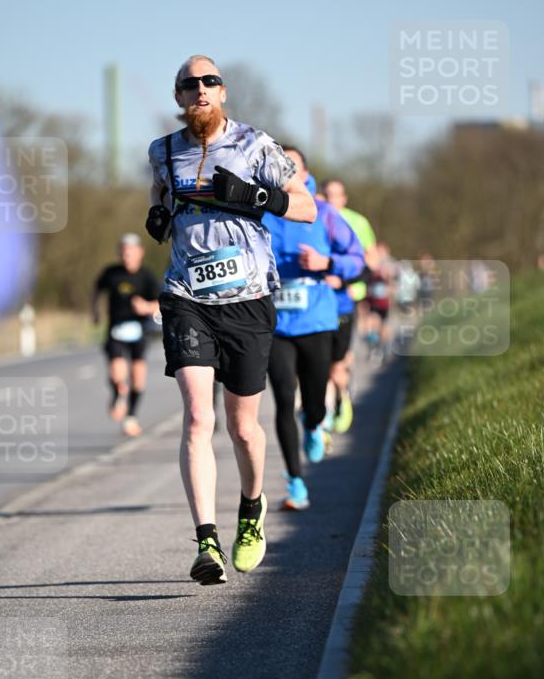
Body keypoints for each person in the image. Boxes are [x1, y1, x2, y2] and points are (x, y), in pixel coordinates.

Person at [146, 55, 315, 586]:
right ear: (178, 97)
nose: (200, 90)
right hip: (186, 296)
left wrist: (256, 195)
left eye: (209, 82)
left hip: (246, 298)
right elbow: (159, 201)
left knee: (244, 429)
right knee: (199, 418)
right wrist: (157, 215)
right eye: (189, 84)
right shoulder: (163, 151)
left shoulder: (253, 144)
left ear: (223, 93)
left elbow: (306, 207)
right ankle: (206, 543)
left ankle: (251, 509)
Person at [264, 149, 364, 511]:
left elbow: (357, 259)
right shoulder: (262, 211)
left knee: (314, 400)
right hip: (274, 324)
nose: (284, 170)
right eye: (277, 165)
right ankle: (295, 483)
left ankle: (314, 422)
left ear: (305, 172)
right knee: (282, 396)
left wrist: (327, 262)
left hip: (317, 321)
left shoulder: (325, 214)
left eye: (291, 165)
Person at [322, 179, 377, 433]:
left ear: (344, 198)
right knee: (321, 359)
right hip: (318, 300)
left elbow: (371, 262)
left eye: (337, 195)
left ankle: (341, 393)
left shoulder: (358, 222)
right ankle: (326, 403)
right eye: (328, 195)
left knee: (340, 359)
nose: (333, 200)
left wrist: (347, 279)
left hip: (349, 296)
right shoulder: (314, 218)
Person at [92, 233, 160, 437]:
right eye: (123, 252)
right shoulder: (111, 273)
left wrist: (146, 307)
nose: (126, 256)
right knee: (117, 374)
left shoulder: (147, 276)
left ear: (140, 253)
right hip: (116, 329)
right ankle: (117, 393)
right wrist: (94, 310)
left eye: (130, 252)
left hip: (139, 330)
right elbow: (97, 290)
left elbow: (160, 303)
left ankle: (131, 417)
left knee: (138, 377)